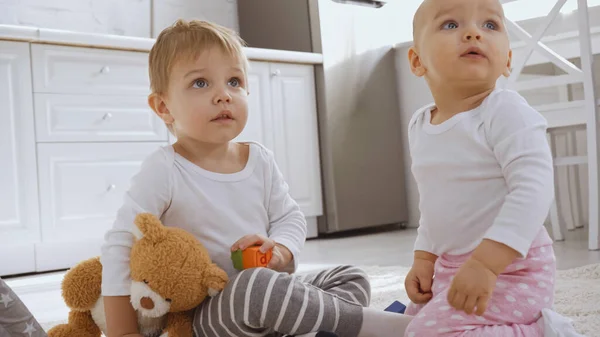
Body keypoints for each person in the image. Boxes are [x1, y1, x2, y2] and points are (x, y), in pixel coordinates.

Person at [100, 19, 412, 337]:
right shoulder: (164, 168)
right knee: (256, 286)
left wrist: (279, 249)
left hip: (265, 294)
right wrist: (122, 331)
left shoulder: (259, 159)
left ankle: (319, 328)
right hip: (202, 316)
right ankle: (385, 329)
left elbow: (289, 218)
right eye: (200, 83)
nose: (223, 95)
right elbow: (120, 245)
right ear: (164, 106)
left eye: (234, 82)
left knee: (349, 276)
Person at [401, 0, 584, 336]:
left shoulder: (504, 110)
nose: (473, 32)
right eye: (451, 25)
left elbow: (533, 190)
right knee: (407, 323)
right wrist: (424, 259)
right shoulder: (420, 125)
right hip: (451, 267)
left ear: (507, 61)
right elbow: (435, 204)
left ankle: (543, 332)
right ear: (417, 61)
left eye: (490, 25)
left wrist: (487, 264)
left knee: (425, 333)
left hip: (513, 269)